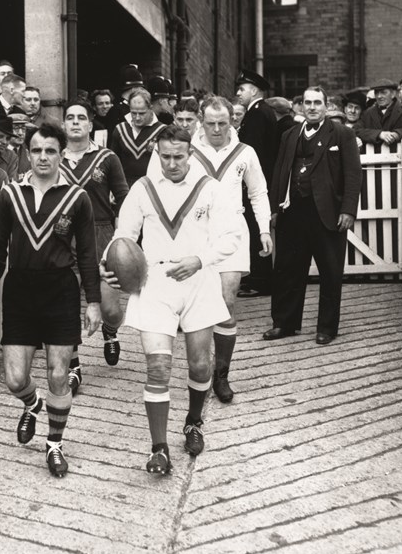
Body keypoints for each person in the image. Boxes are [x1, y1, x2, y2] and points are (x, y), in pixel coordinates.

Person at [100, 124, 240, 474]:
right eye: (166, 157)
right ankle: (158, 448)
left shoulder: (210, 189)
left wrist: (200, 259)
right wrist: (108, 263)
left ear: (191, 153)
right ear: (157, 154)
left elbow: (231, 237)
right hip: (155, 282)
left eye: (179, 156)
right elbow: (124, 236)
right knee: (159, 367)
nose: (173, 163)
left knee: (199, 365)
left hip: (198, 280)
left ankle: (193, 421)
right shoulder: (143, 189)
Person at [0, 122, 101, 478]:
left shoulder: (77, 197)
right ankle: (31, 404)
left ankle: (54, 444)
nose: (43, 157)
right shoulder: (10, 195)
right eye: (37, 150)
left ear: (61, 153)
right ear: (28, 154)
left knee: (59, 374)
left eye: (51, 150)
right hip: (19, 290)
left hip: (60, 291)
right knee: (15, 379)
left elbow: (88, 255)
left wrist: (93, 301)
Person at [187, 96, 272, 403]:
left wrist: (263, 229)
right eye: (211, 123)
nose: (218, 129)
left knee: (226, 299)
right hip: (196, 233)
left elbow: (258, 192)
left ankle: (221, 374)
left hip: (232, 231)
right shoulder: (189, 152)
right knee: (197, 305)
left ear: (232, 121)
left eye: (223, 123)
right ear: (201, 120)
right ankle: (200, 368)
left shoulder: (244, 152)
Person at [265, 87, 362, 345]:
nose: (312, 107)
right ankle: (284, 323)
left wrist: (348, 210)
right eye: (307, 102)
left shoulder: (342, 134)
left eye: (317, 103)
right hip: (292, 211)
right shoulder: (289, 135)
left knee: (330, 271)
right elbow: (280, 171)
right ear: (300, 106)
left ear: (326, 106)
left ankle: (326, 328)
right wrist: (274, 207)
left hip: (327, 213)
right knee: (287, 269)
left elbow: (353, 175)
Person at [59, 100, 129, 395]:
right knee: (64, 307)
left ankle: (110, 331)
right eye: (70, 118)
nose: (75, 122)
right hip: (62, 237)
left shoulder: (107, 157)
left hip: (100, 234)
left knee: (111, 308)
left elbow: (124, 196)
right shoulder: (52, 158)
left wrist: (124, 235)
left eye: (81, 118)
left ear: (90, 125)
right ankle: (74, 366)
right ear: (63, 125)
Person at [235, 69, 279, 297]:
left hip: (255, 181)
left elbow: (253, 152)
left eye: (242, 89)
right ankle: (257, 278)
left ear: (254, 91)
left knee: (255, 228)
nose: (238, 93)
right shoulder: (261, 111)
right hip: (260, 179)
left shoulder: (258, 113)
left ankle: (259, 280)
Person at [109, 87, 165, 187]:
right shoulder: (120, 129)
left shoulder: (162, 131)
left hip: (151, 186)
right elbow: (112, 163)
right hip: (124, 187)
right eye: (133, 113)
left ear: (150, 108)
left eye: (142, 113)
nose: (137, 117)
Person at [354, 78, 402, 146]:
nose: (379, 96)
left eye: (383, 92)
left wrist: (397, 134)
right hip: (373, 155)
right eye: (376, 92)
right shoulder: (368, 113)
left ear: (393, 94)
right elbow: (356, 131)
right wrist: (379, 134)